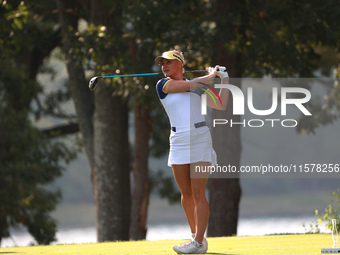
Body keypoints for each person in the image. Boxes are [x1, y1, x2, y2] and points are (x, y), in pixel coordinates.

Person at [154, 50, 229, 254]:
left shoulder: (198, 88)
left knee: (198, 192)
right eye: (162, 63)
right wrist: (212, 75)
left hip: (199, 137)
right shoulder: (163, 85)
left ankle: (197, 242)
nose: (164, 66)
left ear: (180, 64)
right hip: (178, 140)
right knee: (185, 193)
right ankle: (197, 237)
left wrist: (224, 79)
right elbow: (191, 84)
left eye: (168, 62)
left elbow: (221, 104)